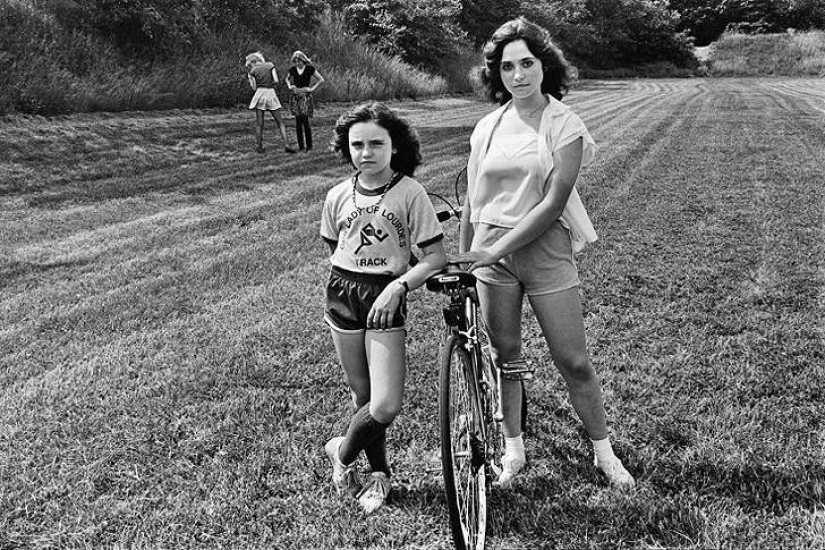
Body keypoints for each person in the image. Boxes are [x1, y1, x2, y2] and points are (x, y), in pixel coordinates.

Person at [453, 17, 636, 489]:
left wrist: (493, 251)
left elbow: (554, 202)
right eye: (508, 66)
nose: (518, 75)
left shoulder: (565, 124)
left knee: (572, 358)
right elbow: (474, 198)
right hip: (490, 252)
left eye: (527, 63)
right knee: (505, 355)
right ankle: (513, 449)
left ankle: (603, 452)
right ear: (497, 73)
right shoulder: (487, 126)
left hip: (543, 248)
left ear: (544, 65)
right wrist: (466, 260)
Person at [320, 102, 447, 513]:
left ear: (395, 147)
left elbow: (435, 257)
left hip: (385, 295)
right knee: (363, 395)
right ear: (347, 149)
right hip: (343, 294)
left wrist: (398, 286)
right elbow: (333, 246)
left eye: (377, 143)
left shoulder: (411, 192)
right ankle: (379, 475)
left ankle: (342, 455)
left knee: (385, 404)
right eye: (357, 145)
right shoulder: (337, 194)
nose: (366, 152)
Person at [244, 51, 297, 154]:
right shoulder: (270, 65)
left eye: (250, 64)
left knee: (260, 123)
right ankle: (286, 145)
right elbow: (276, 80)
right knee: (280, 121)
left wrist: (256, 81)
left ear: (254, 62)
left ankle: (259, 147)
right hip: (270, 93)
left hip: (260, 94)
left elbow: (254, 87)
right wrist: (269, 83)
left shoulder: (252, 71)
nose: (251, 66)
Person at [286, 50, 325, 152]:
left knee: (305, 120)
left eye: (299, 61)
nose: (297, 63)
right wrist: (290, 86)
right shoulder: (293, 70)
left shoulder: (309, 69)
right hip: (295, 97)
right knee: (298, 121)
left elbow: (321, 79)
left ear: (303, 60)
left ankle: (309, 146)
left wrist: (311, 89)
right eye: (295, 61)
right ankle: (301, 146)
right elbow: (287, 79)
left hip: (305, 97)